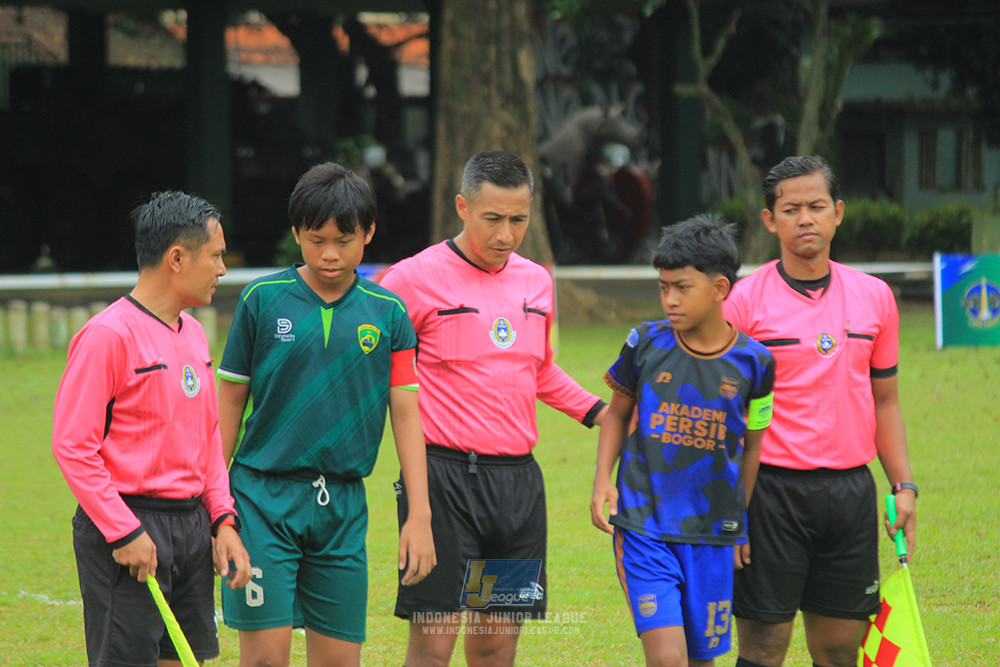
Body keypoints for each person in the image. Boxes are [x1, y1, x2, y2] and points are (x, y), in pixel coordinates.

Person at [379, 150, 608, 667]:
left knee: (495, 645)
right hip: (443, 483)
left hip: (517, 488)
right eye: (493, 219)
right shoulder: (410, 280)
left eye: (518, 219)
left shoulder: (536, 281)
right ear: (462, 207)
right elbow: (370, 364)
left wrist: (600, 412)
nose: (506, 234)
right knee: (435, 644)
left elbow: (540, 369)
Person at [216, 161, 435, 666]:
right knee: (266, 659)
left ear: (369, 233)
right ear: (296, 234)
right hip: (261, 500)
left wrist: (419, 514)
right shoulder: (261, 300)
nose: (330, 254)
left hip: (342, 506)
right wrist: (215, 500)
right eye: (316, 240)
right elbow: (229, 402)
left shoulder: (389, 313)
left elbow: (406, 414)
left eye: (345, 239)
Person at [724, 155, 918, 667]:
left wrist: (903, 486)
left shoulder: (876, 297)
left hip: (849, 493)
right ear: (771, 220)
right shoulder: (743, 303)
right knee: (764, 647)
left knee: (839, 648)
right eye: (791, 209)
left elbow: (886, 401)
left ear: (839, 213)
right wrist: (732, 506)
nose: (804, 218)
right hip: (770, 493)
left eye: (816, 206)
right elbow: (724, 413)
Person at [52, 191, 252, 666]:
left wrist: (223, 519)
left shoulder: (196, 333)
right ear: (177, 258)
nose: (223, 269)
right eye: (217, 255)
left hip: (190, 527)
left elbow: (206, 438)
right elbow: (73, 446)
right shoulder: (108, 336)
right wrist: (123, 532)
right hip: (129, 524)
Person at [591, 214, 776, 667]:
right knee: (668, 659)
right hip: (643, 524)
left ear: (719, 288)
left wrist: (740, 523)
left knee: (701, 660)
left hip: (713, 534)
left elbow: (752, 446)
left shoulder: (757, 363)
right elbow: (616, 414)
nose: (669, 299)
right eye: (662, 287)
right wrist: (602, 481)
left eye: (682, 287)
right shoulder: (645, 342)